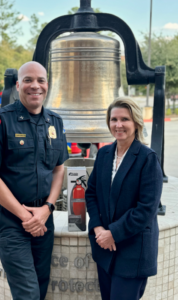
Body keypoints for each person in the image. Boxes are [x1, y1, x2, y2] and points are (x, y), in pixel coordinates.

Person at [0, 61, 69, 300]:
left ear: (47, 85)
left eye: (41, 80)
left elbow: (59, 169)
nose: (35, 86)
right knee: (27, 293)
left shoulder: (56, 123)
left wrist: (47, 209)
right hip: (12, 222)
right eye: (28, 80)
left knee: (40, 286)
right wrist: (26, 217)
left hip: (43, 219)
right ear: (18, 85)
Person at [85, 97, 163, 300]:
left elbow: (146, 209)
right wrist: (98, 228)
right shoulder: (103, 154)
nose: (118, 125)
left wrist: (113, 232)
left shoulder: (147, 158)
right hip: (105, 250)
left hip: (132, 252)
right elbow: (91, 193)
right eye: (114, 119)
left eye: (124, 119)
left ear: (136, 123)